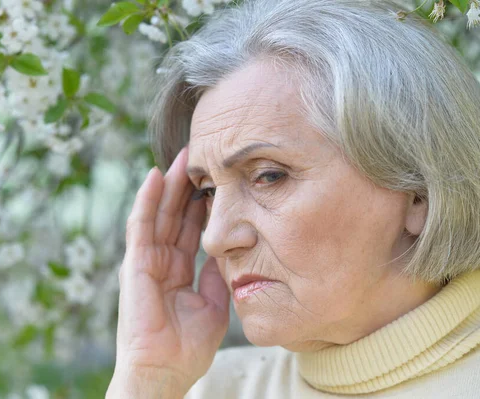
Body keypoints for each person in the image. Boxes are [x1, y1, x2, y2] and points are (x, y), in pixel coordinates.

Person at [106, 0, 480, 397]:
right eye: (208, 192)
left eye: (268, 175)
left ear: (418, 191)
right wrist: (147, 376)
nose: (214, 239)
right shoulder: (206, 389)